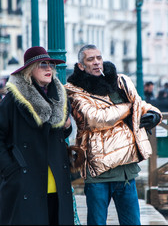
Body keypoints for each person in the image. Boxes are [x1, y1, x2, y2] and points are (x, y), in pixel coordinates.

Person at [64, 44, 162, 225]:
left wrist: (155, 114)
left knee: (132, 223)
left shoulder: (119, 82)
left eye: (98, 58)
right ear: (81, 66)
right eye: (90, 59)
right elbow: (95, 118)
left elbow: (139, 103)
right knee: (97, 223)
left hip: (126, 169)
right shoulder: (74, 91)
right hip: (98, 170)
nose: (96, 63)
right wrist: (129, 108)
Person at [0, 46, 75, 225]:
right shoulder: (13, 100)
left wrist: (67, 128)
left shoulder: (60, 97)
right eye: (42, 65)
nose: (49, 68)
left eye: (50, 64)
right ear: (29, 70)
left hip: (55, 178)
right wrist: (10, 168)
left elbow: (54, 134)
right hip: (26, 179)